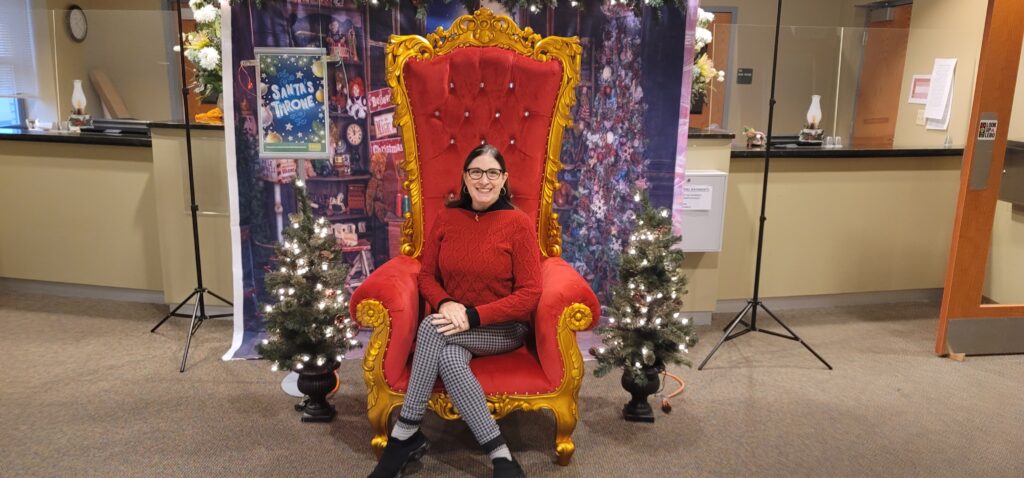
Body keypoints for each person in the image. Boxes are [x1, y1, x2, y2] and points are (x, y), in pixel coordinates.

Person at [368, 144, 541, 478]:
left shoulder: (518, 223)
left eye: (493, 173)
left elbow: (530, 295)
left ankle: (405, 433)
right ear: (465, 177)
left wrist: (473, 316)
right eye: (476, 171)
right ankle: (500, 455)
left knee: (432, 328)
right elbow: (426, 276)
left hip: (502, 328)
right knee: (448, 357)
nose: (484, 180)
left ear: (504, 178)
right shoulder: (448, 216)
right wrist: (447, 303)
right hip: (454, 322)